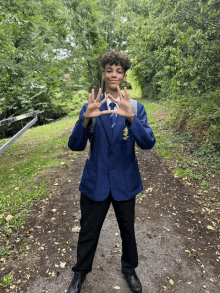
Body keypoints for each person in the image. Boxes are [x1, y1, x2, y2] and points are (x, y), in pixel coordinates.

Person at [67, 51, 155, 293]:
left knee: (128, 231)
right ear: (103, 74)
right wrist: (85, 121)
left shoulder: (135, 107)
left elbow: (148, 143)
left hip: (125, 183)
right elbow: (74, 146)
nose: (113, 75)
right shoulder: (91, 105)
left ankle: (129, 269)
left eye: (118, 71)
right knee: (88, 231)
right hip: (95, 183)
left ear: (124, 75)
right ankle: (80, 273)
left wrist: (131, 119)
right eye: (109, 70)